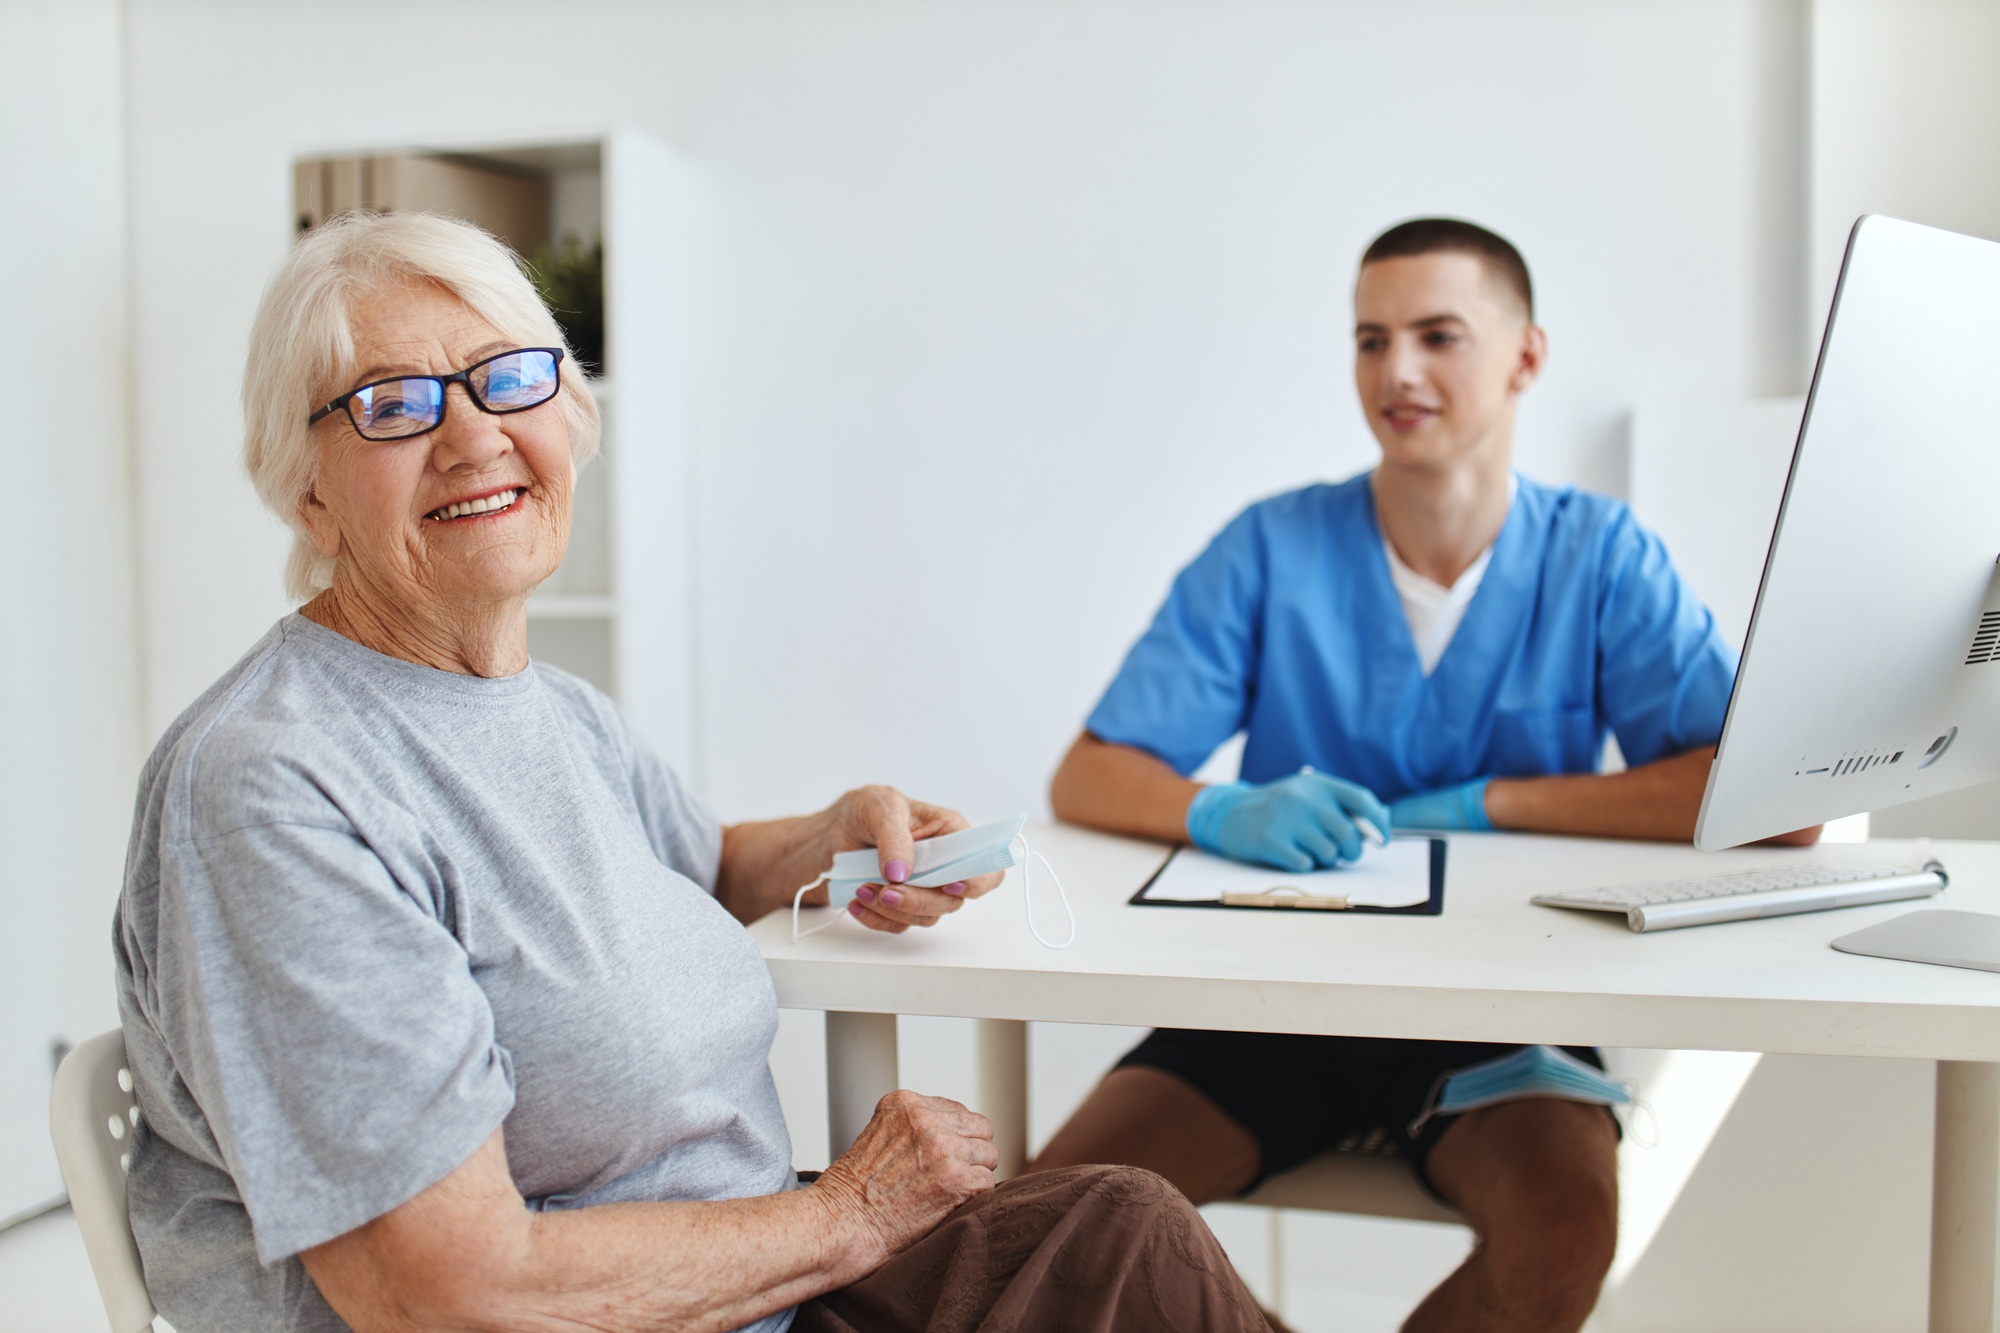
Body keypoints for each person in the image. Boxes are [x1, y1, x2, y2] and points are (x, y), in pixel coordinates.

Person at [114, 211, 1273, 1333]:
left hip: (745, 1289)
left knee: (1120, 1232)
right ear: (306, 489)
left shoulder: (552, 709)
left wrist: (828, 838)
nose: (472, 437)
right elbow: (444, 1291)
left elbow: (698, 864)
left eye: (508, 378)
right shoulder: (271, 784)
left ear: (568, 413)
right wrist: (849, 1213)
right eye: (393, 405)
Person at [1031, 217, 1819, 1333]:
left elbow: (1767, 806)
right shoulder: (1269, 549)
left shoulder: (1598, 558)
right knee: (1052, 1216)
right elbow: (1088, 774)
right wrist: (1217, 809)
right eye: (1369, 339)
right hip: (1271, 1005)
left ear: (1524, 357)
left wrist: (1492, 803)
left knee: (1563, 1227)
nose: (1395, 370)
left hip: (1497, 1018)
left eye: (1436, 335)